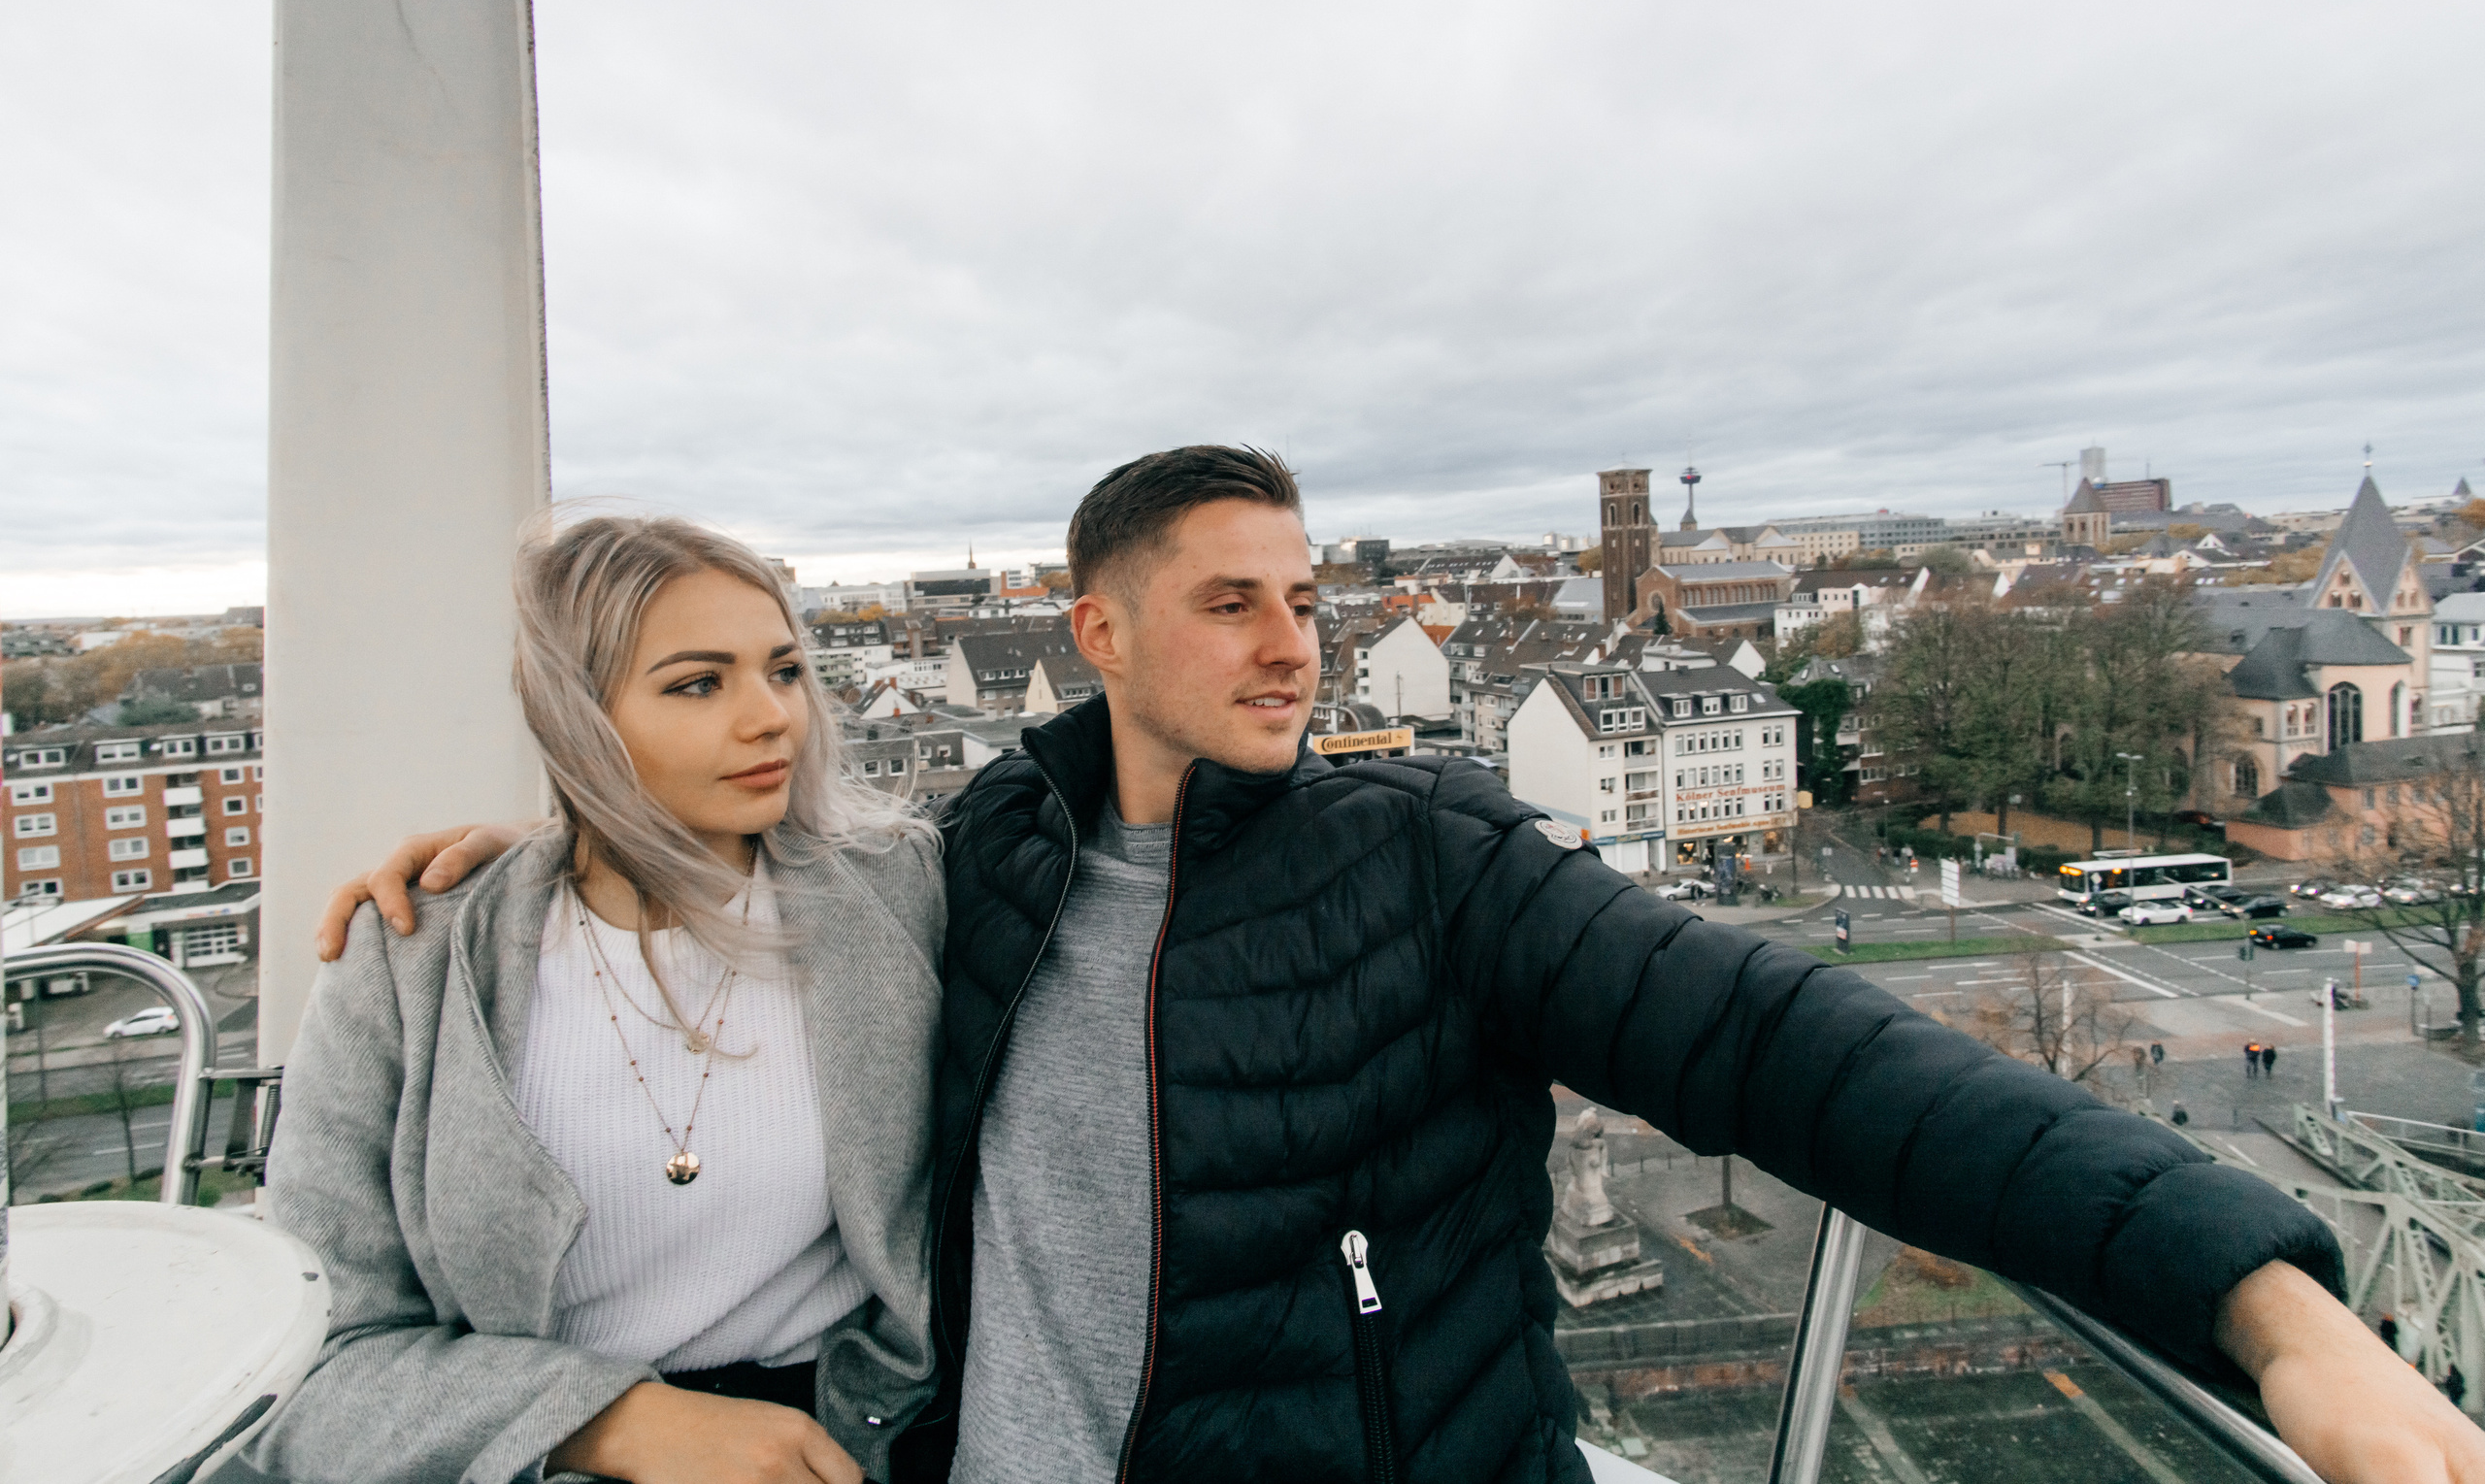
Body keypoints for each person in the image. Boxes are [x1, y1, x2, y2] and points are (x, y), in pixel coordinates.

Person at [324, 448, 2484, 1484]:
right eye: (1229, 603)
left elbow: (1782, 1040)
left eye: (1308, 596)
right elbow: (697, 870)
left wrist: (2259, 1301)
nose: (1294, 645)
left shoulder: (1424, 860)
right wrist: (527, 859)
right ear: (1090, 632)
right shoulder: (962, 866)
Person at [260, 514, 945, 1484]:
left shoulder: (900, 892)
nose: (771, 719)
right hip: (531, 1454)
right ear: (575, 716)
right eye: (699, 684)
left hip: (845, 1438)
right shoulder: (412, 960)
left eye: (783, 671)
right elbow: (319, 1350)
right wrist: (609, 1424)